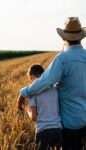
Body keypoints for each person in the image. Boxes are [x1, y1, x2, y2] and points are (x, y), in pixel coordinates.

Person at [17, 17, 86, 150]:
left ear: (64, 38)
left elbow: (44, 81)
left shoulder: (62, 59)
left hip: (70, 123)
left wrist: (24, 92)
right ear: (81, 37)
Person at [22, 64, 62, 150]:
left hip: (43, 131)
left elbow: (34, 117)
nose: (31, 83)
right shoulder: (54, 88)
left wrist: (27, 110)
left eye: (30, 79)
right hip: (58, 130)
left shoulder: (33, 93)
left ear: (33, 76)